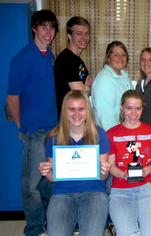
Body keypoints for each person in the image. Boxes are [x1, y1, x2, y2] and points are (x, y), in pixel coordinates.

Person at [6, 9, 59, 236]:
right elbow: (12, 97)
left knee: (49, 182)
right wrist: (20, 127)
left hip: (55, 131)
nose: (48, 32)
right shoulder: (22, 58)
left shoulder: (51, 56)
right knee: (31, 185)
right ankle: (35, 230)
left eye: (51, 27)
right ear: (34, 28)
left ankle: (48, 222)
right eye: (43, 27)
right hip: (35, 131)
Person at [39, 90, 111, 236]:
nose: (76, 114)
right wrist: (47, 172)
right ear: (65, 111)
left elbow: (103, 178)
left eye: (81, 109)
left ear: (88, 111)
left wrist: (105, 171)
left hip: (94, 192)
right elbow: (53, 178)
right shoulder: (54, 137)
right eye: (71, 109)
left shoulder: (99, 135)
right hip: (63, 193)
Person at [107, 90, 151, 236]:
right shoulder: (112, 133)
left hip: (148, 187)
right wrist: (122, 174)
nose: (133, 113)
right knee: (127, 233)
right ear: (122, 108)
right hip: (121, 190)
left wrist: (146, 170)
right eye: (129, 108)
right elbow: (111, 166)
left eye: (138, 108)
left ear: (142, 109)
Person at [54, 16, 92, 117]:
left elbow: (86, 87)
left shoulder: (76, 60)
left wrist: (86, 88)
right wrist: (86, 88)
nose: (84, 38)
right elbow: (80, 95)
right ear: (69, 36)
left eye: (86, 33)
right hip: (69, 119)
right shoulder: (67, 60)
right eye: (79, 34)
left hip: (76, 116)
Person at [91, 40, 133, 131]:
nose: (120, 58)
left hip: (126, 132)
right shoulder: (104, 80)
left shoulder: (124, 76)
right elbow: (105, 117)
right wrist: (117, 138)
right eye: (116, 55)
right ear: (108, 58)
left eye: (123, 55)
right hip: (111, 136)